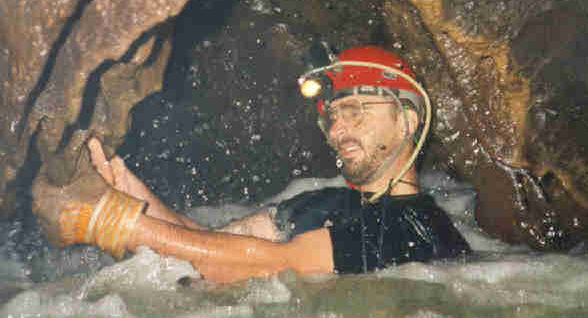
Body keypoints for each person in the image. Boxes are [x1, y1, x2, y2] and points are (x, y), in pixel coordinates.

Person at [33, 45, 471, 283]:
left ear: (407, 121)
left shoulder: (415, 230)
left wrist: (117, 223)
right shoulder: (327, 203)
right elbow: (209, 243)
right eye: (334, 115)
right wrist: (123, 183)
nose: (338, 128)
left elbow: (274, 263)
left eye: (358, 110)